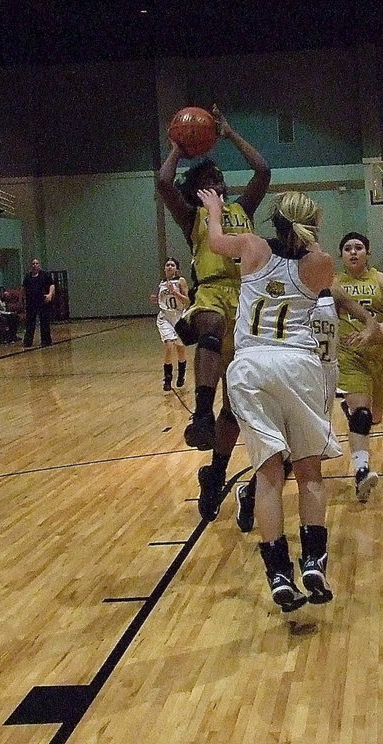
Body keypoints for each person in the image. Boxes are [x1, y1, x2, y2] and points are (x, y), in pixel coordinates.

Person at [202, 187, 340, 612]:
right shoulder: (319, 265)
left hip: (250, 367)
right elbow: (317, 269)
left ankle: (279, 572)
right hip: (298, 365)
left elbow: (214, 242)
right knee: (309, 472)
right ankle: (313, 561)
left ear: (274, 220)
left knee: (268, 477)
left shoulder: (251, 247)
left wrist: (213, 211)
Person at [157, 104, 271, 521]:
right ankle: (200, 414)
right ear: (198, 191)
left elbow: (262, 171)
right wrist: (176, 148)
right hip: (211, 294)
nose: (219, 183)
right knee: (210, 321)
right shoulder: (193, 218)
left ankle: (216, 472)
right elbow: (165, 183)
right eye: (209, 180)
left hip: (248, 301)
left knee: (236, 406)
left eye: (220, 179)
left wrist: (230, 132)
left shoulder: (243, 210)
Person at [235, 283, 381, 533]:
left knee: (301, 453)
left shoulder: (333, 293)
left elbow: (370, 321)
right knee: (290, 451)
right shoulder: (290, 290)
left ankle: (250, 493)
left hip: (323, 374)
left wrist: (368, 332)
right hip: (295, 371)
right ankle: (253, 495)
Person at [336, 232, 383, 503]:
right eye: (347, 249)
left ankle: (353, 411)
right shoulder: (335, 285)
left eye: (359, 248)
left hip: (381, 356)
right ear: (341, 255)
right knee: (362, 415)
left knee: (375, 416)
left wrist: (380, 328)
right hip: (349, 357)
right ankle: (361, 470)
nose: (353, 252)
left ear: (367, 253)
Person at [150, 258, 189, 391]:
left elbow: (187, 301)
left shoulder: (180, 281)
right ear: (164, 268)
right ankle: (167, 379)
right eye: (167, 265)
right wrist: (156, 299)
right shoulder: (162, 283)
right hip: (165, 317)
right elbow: (164, 300)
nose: (170, 267)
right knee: (168, 345)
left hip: (179, 317)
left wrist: (175, 292)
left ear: (176, 268)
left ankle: (181, 375)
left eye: (172, 265)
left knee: (180, 349)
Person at [22, 258, 55, 347]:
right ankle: (28, 341)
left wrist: (50, 294)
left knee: (44, 321)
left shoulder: (45, 275)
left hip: (43, 301)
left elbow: (52, 285)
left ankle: (46, 341)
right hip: (31, 302)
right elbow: (24, 288)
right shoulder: (27, 277)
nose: (35, 265)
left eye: (36, 263)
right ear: (31, 265)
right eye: (33, 264)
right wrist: (24, 299)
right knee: (30, 322)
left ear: (39, 265)